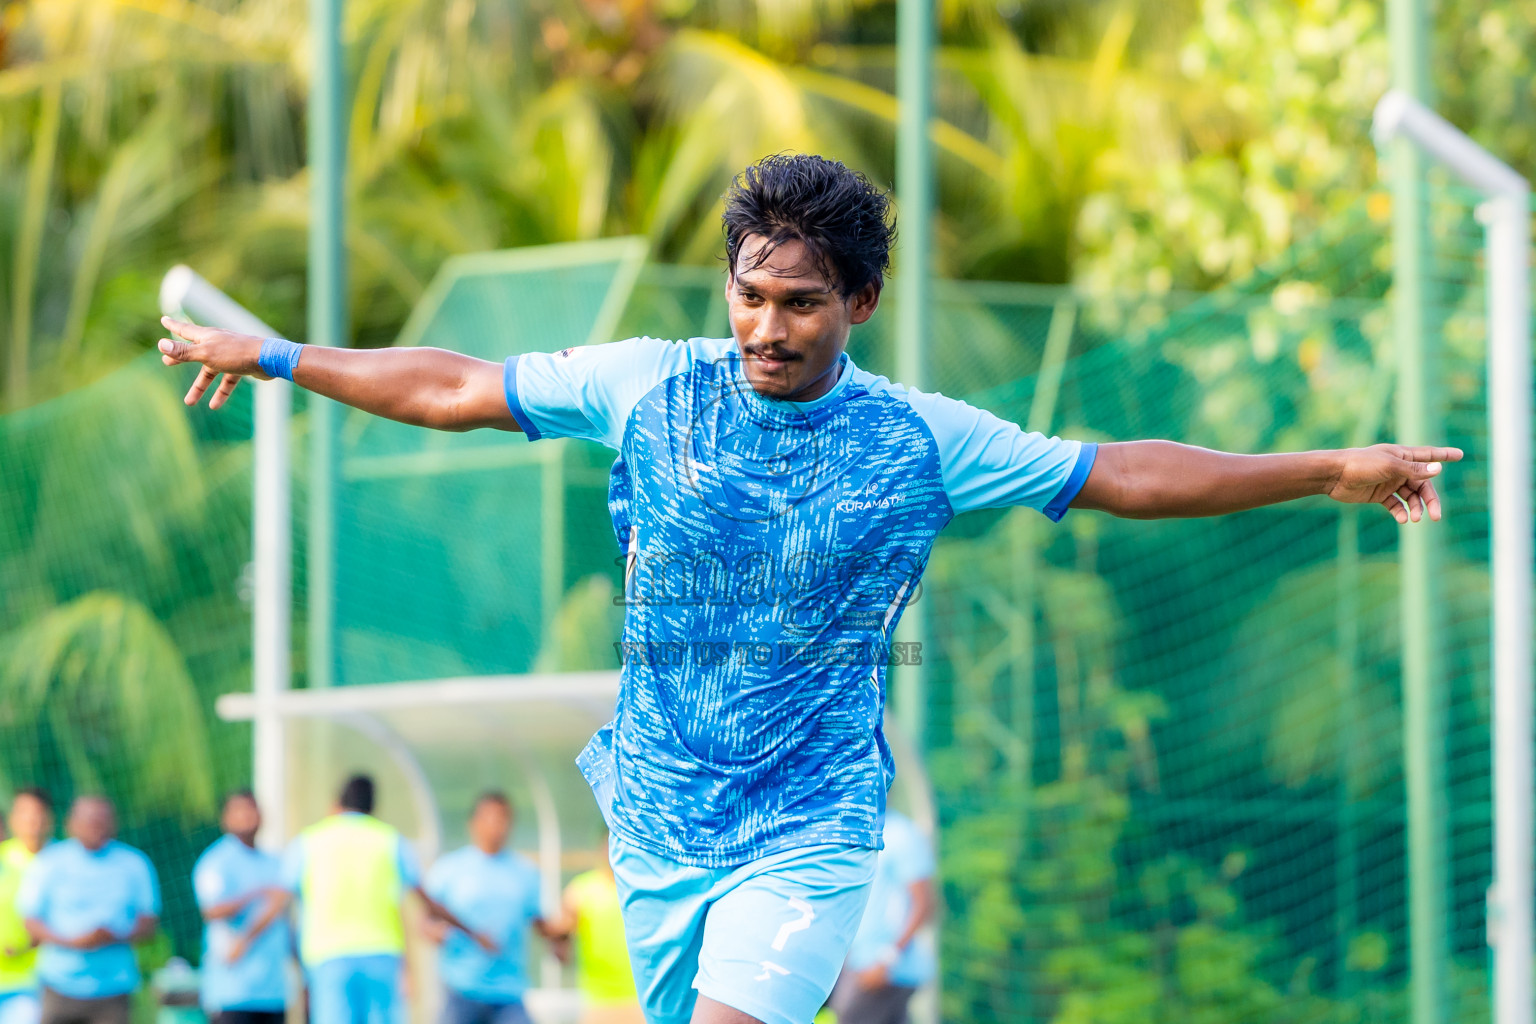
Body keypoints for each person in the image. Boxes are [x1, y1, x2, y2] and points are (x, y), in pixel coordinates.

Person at [157, 152, 1461, 1024]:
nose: (766, 328)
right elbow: (453, 387)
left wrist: (1327, 467)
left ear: (862, 300)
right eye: (749, 296)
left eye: (799, 303)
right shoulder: (648, 385)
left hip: (814, 830)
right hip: (657, 830)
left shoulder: (921, 439)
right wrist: (278, 357)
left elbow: (1121, 471)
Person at [245, 775, 487, 1024]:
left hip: (328, 953)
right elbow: (426, 900)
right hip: (381, 952)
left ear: (337, 803)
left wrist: (246, 938)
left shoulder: (310, 841)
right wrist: (473, 932)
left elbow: (278, 902)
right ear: (372, 806)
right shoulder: (390, 840)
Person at [421, 793, 563, 1024]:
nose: (497, 827)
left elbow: (540, 922)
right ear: (473, 823)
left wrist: (559, 939)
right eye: (490, 819)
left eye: (503, 820)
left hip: (509, 992)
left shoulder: (525, 872)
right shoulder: (450, 869)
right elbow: (426, 920)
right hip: (462, 989)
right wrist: (434, 933)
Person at [18, 796, 159, 1024]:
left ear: (114, 823)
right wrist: (72, 942)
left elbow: (149, 923)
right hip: (59, 984)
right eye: (89, 821)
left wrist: (111, 936)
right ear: (71, 823)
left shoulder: (134, 863)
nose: (95, 827)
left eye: (101, 821)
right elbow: (31, 921)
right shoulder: (49, 862)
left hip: (113, 987)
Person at [192, 790, 291, 1024]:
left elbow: (285, 917)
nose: (247, 816)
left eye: (251, 809)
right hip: (232, 990)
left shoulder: (275, 863)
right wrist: (256, 895)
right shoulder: (216, 862)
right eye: (239, 810)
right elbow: (212, 910)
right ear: (225, 819)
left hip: (273, 990)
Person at [830, 811, 935, 1024]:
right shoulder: (853, 829)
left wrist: (887, 959)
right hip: (861, 965)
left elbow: (925, 904)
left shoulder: (900, 834)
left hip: (884, 971)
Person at [556, 836, 641, 1024]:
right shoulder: (581, 888)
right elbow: (563, 927)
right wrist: (560, 942)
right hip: (597, 1001)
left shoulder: (641, 888)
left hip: (639, 997)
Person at [0, 789, 55, 1024]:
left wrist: (29, 943)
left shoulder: (63, 861)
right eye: (25, 813)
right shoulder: (4, 858)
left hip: (43, 981)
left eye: (38, 813)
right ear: (12, 819)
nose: (32, 821)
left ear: (50, 819)